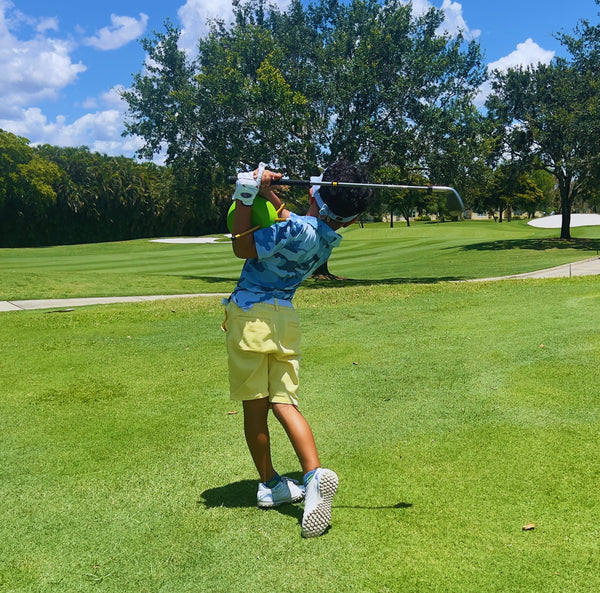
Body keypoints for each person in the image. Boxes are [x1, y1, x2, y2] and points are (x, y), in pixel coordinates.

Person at [222, 160, 371, 537]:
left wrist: (245, 195)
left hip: (250, 319)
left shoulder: (292, 229)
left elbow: (242, 246)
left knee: (256, 407)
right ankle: (314, 474)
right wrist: (266, 191)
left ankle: (270, 483)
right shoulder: (325, 239)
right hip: (285, 320)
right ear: (352, 220)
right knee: (285, 403)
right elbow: (293, 218)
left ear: (313, 192)